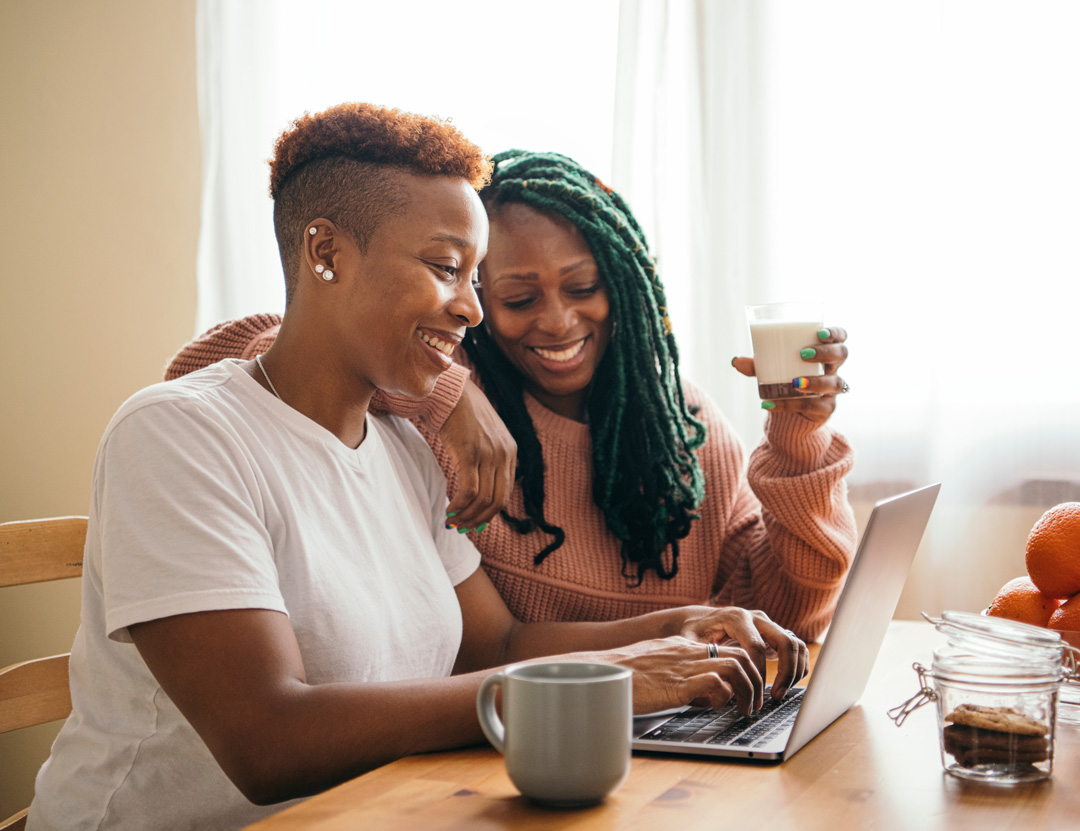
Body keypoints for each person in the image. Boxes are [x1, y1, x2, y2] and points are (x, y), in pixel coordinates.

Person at [28, 104, 807, 831]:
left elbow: (495, 647)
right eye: (446, 267)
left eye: (474, 277)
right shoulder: (178, 436)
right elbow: (269, 741)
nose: (472, 307)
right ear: (325, 251)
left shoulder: (407, 447)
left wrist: (672, 630)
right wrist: (611, 676)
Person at [170, 151, 857, 644]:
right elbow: (220, 361)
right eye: (519, 298)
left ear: (626, 289)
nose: (557, 322)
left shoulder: (684, 430)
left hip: (659, 736)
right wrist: (449, 391)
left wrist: (798, 437)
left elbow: (786, 619)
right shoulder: (431, 386)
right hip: (492, 739)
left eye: (583, 288)